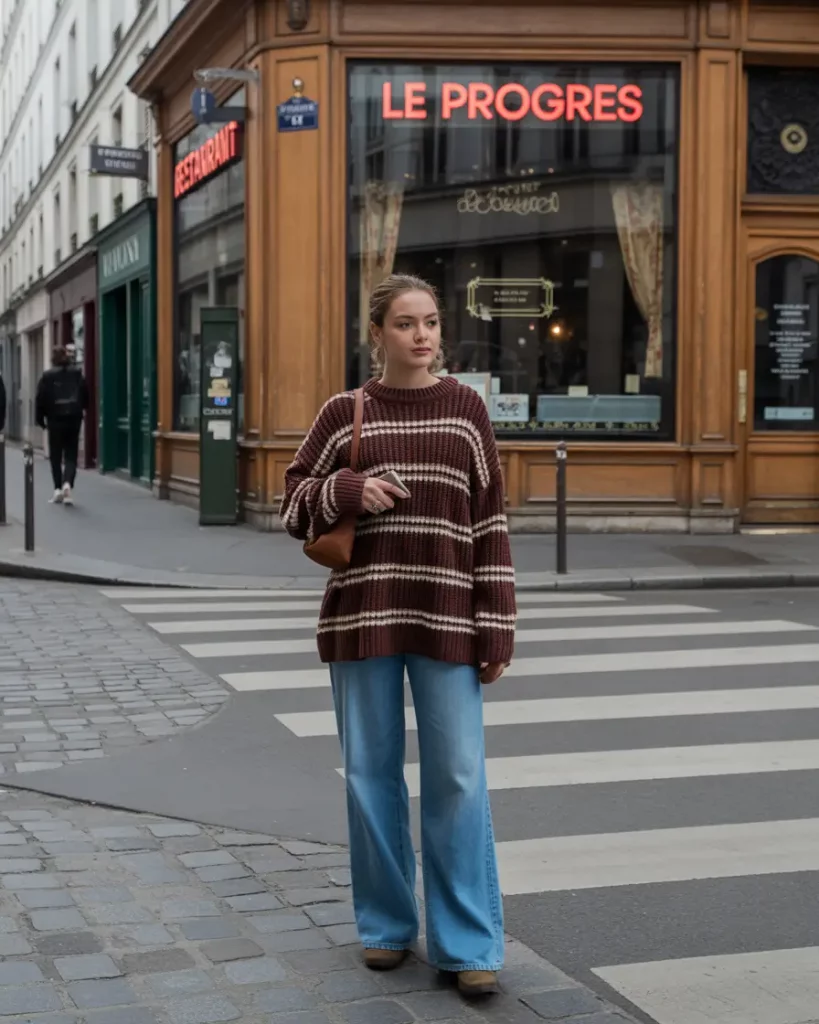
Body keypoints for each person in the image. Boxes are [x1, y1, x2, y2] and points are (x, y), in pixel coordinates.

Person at [280, 274, 516, 997]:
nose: (423, 335)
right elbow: (290, 503)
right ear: (377, 332)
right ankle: (385, 926)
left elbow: (488, 520)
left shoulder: (465, 409)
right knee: (370, 778)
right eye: (407, 323)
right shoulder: (345, 411)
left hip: (447, 615)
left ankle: (468, 940)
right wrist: (348, 490)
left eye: (432, 322)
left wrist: (497, 621)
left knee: (457, 778)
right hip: (363, 617)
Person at [35, 345, 88, 505]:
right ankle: (67, 483)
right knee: (71, 454)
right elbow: (85, 394)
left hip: (55, 420)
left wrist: (40, 420)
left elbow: (40, 399)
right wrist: (82, 410)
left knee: (56, 455)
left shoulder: (47, 376)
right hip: (73, 418)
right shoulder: (77, 374)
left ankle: (57, 489)